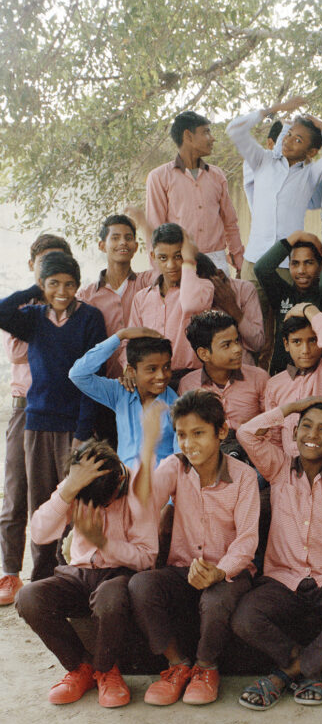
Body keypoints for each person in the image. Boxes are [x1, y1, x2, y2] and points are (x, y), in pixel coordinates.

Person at [233, 399, 322, 709]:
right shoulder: (279, 468)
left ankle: (284, 675)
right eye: (306, 426)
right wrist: (292, 406)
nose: (313, 435)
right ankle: (309, 666)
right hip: (283, 577)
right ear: (293, 434)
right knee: (245, 618)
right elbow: (246, 433)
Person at [129, 390, 259, 706]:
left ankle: (205, 668)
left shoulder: (243, 476)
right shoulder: (176, 466)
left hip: (229, 570)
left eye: (198, 433)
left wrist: (219, 571)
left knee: (216, 601)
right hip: (182, 569)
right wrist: (148, 447)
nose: (189, 444)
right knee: (141, 585)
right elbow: (142, 504)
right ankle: (177, 665)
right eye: (182, 435)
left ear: (222, 432)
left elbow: (247, 539)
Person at [16, 428, 158, 707]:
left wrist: (102, 541)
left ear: (119, 479)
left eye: (105, 503)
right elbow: (39, 534)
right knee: (29, 597)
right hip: (78, 574)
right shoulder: (77, 486)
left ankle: (107, 670)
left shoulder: (137, 490)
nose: (99, 508)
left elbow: (147, 558)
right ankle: (81, 668)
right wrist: (68, 490)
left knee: (110, 598)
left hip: (119, 575)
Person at [0, 251, 107, 582]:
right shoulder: (32, 317)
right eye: (53, 284)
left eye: (69, 284)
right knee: (42, 503)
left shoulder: (90, 318)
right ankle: (43, 579)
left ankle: (73, 574)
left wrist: (82, 431)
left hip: (76, 424)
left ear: (78, 285)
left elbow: (94, 376)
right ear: (42, 285)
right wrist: (33, 293)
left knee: (77, 502)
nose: (62, 291)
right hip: (38, 424)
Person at [0, 235, 71, 604]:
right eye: (44, 266)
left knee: (58, 491)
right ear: (34, 269)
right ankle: (9, 572)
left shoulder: (72, 307)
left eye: (58, 265)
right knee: (16, 489)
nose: (52, 275)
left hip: (59, 409)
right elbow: (15, 349)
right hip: (25, 403)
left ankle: (54, 571)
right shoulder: (25, 307)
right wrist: (37, 294)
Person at [226, 97, 322, 282]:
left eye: (298, 140)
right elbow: (234, 129)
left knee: (285, 312)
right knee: (251, 310)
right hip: (254, 261)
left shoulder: (310, 175)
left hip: (287, 266)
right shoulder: (263, 160)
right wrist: (275, 108)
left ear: (311, 152)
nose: (288, 141)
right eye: (288, 135)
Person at [146, 111, 244, 275]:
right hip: (180, 265)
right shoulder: (158, 177)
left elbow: (230, 223)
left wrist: (239, 261)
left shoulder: (217, 175)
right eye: (206, 132)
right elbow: (155, 230)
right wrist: (158, 273)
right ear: (188, 136)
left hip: (217, 264)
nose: (212, 138)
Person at [69, 329, 177, 467]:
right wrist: (120, 336)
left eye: (167, 367)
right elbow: (78, 375)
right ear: (132, 371)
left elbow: (179, 460)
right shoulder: (121, 393)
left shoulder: (177, 406)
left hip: (159, 484)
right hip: (123, 483)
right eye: (152, 369)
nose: (161, 375)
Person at [127, 224, 214, 383]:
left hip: (192, 379)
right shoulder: (141, 298)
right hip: (153, 381)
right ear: (153, 256)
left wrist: (189, 260)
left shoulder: (203, 287)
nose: (171, 265)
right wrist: (129, 368)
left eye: (178, 256)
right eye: (163, 258)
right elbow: (133, 341)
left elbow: (190, 305)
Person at [253, 227, 322, 374]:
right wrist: (296, 236)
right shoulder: (282, 294)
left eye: (309, 263)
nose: (301, 270)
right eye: (295, 263)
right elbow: (261, 268)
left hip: (318, 375)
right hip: (284, 375)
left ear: (320, 265)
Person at [77, 214, 158, 379]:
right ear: (102, 246)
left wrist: (145, 224)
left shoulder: (147, 282)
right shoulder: (86, 295)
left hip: (143, 382)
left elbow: (166, 260)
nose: (123, 242)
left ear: (135, 246)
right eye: (115, 238)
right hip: (103, 385)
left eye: (128, 238)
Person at [265, 303, 322, 456]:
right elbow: (275, 438)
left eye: (313, 340)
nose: (305, 350)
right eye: (297, 341)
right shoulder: (274, 384)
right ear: (286, 344)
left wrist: (308, 309)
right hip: (290, 472)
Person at [180, 311, 268, 445]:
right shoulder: (188, 385)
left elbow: (274, 428)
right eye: (227, 345)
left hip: (254, 458)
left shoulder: (259, 378)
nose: (237, 349)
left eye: (237, 341)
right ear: (204, 354)